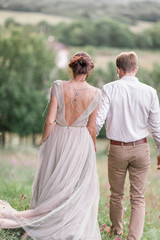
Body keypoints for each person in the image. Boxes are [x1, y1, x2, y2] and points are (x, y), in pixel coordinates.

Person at [0, 52, 102, 240]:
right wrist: (93, 146)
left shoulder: (58, 86)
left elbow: (50, 120)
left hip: (58, 136)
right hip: (81, 141)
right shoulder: (96, 93)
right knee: (72, 185)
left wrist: (44, 139)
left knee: (54, 178)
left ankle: (46, 215)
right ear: (89, 70)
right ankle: (63, 217)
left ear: (72, 68)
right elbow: (91, 126)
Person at [96, 51, 160, 240]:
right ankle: (134, 238)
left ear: (118, 70)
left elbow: (98, 121)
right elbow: (157, 127)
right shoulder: (150, 92)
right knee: (138, 197)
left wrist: (86, 139)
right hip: (141, 149)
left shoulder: (109, 88)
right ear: (136, 69)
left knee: (116, 194)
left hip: (117, 149)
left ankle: (116, 231)